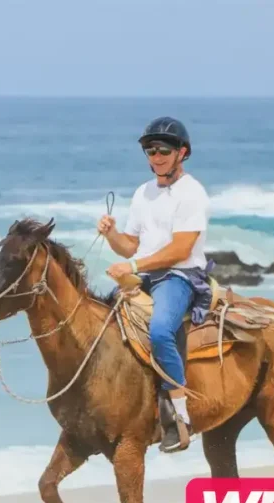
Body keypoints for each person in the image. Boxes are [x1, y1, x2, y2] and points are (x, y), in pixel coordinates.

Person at [97, 116, 213, 453]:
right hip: (145, 274)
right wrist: (111, 234)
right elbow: (129, 245)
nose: (156, 156)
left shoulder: (192, 193)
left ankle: (179, 416)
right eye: (150, 149)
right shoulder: (142, 192)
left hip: (179, 276)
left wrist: (132, 266)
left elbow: (181, 249)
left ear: (182, 152)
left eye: (164, 149)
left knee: (161, 330)